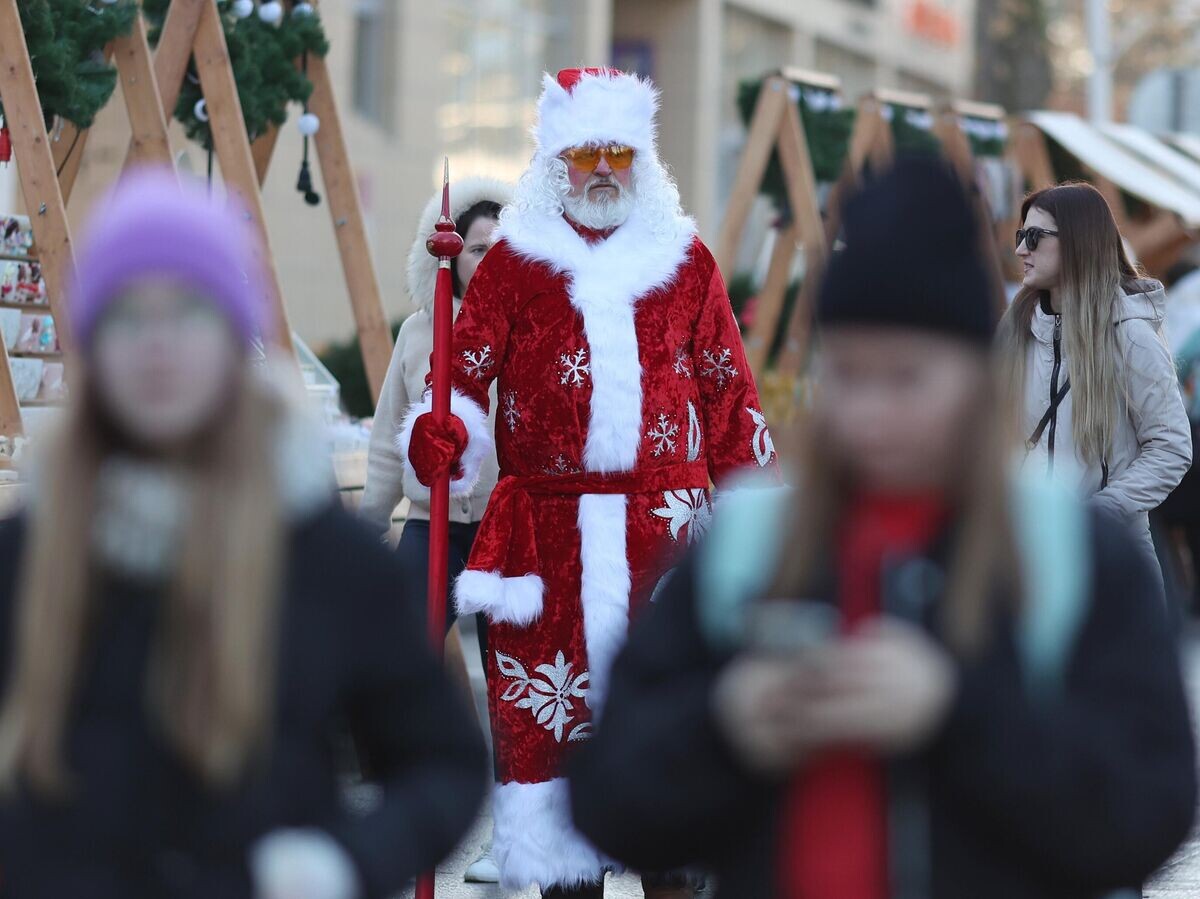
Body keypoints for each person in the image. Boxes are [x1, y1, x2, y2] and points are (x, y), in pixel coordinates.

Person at [568, 159, 1197, 899]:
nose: (869, 411)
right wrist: (727, 726)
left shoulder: (1075, 556)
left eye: (905, 377)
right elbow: (607, 799)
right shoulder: (746, 547)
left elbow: (1147, 812)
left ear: (976, 379)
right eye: (848, 374)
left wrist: (957, 714)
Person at [0, 170, 485, 899]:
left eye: (190, 309)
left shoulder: (322, 557)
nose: (158, 342)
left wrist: (341, 863)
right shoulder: (29, 553)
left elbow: (442, 766)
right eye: (127, 314)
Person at [402, 67, 779, 896]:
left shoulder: (686, 262)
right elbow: (460, 375)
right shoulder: (512, 266)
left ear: (641, 158)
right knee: (554, 777)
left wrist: (762, 527)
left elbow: (729, 393)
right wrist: (444, 429)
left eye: (618, 152)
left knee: (673, 758)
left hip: (667, 540)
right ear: (556, 163)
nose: (603, 169)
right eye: (584, 154)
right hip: (548, 545)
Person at [359, 176, 511, 884]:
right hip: (432, 523)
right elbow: (389, 439)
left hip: (505, 525)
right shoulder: (419, 331)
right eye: (477, 248)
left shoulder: (527, 326)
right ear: (448, 255)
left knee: (513, 679)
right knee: (402, 651)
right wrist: (368, 527)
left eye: (500, 248)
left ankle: (510, 830)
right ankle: (409, 806)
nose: (489, 259)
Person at [1000, 182, 1192, 581]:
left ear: (1077, 241)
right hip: (1029, 555)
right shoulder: (1016, 329)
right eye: (1020, 236)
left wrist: (1100, 513)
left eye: (1033, 237)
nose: (1020, 250)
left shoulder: (1131, 334)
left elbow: (1171, 447)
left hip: (1110, 558)